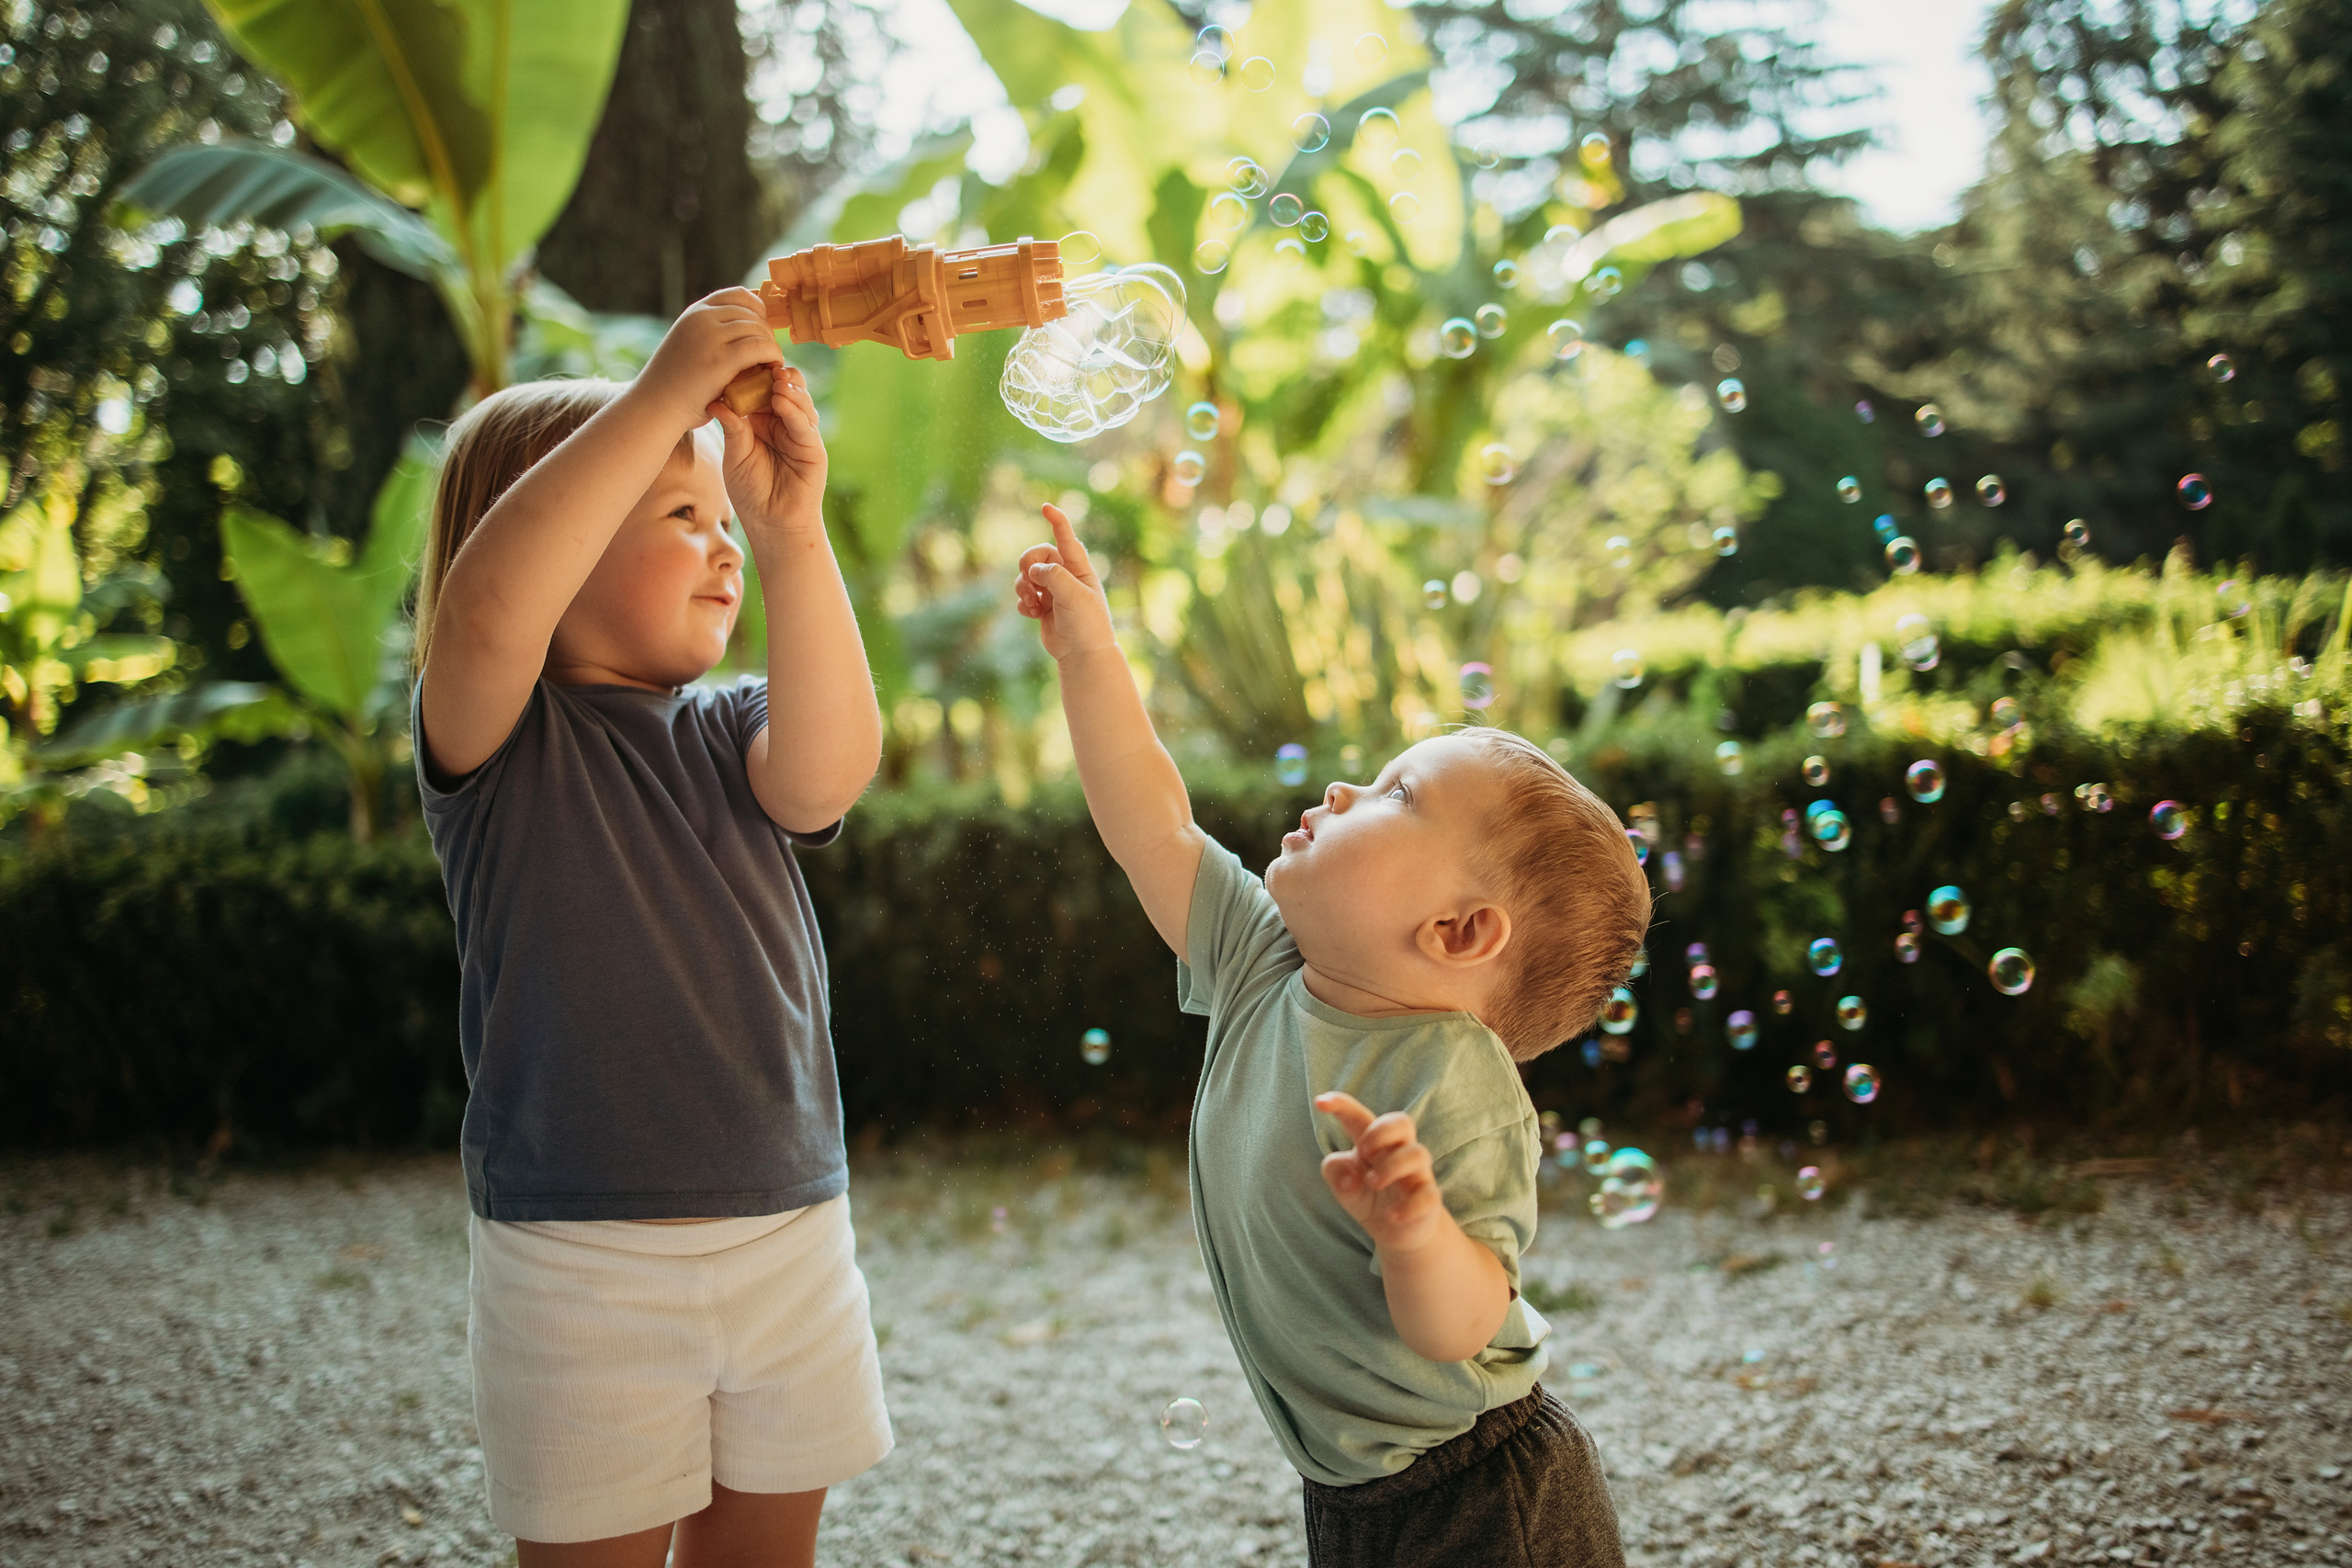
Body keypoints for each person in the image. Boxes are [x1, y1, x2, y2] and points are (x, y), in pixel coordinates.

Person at [1012, 503, 1648, 1568]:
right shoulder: (1260, 957)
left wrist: (1415, 1232)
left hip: (1480, 1488)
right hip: (1352, 1491)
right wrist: (1088, 651)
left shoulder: (1452, 1079)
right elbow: (1151, 825)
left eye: (1397, 793)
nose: (1347, 787)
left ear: (1456, 933)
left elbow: (1461, 1324)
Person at [411, 288, 888, 1568]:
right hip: (579, 1261)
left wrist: (791, 534)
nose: (722, 546)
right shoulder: (498, 741)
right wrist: (662, 396)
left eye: (722, 519)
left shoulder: (732, 727)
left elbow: (830, 773)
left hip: (789, 1229)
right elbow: (488, 611)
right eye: (684, 516)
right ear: (556, 539)